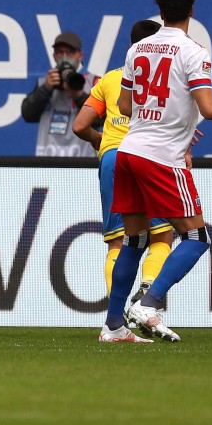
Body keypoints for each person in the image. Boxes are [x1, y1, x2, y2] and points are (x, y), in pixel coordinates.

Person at [100, 0, 212, 343]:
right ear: (192, 11)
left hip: (129, 150)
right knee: (197, 237)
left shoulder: (138, 49)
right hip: (163, 157)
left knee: (133, 241)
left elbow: (124, 106)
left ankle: (113, 326)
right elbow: (210, 109)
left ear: (160, 11)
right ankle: (149, 303)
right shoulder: (195, 52)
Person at [72, 19, 174, 335]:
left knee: (119, 243)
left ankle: (117, 319)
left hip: (113, 159)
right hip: (149, 156)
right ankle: (146, 291)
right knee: (163, 236)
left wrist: (99, 140)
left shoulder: (109, 80)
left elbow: (79, 126)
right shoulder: (162, 79)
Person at [21, 31, 99, 156]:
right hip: (47, 163)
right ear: (54, 56)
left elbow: (101, 120)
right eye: (60, 52)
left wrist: (78, 95)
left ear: (80, 55)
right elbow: (28, 115)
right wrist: (45, 89)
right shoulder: (45, 81)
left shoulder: (94, 82)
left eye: (69, 52)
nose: (64, 57)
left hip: (82, 163)